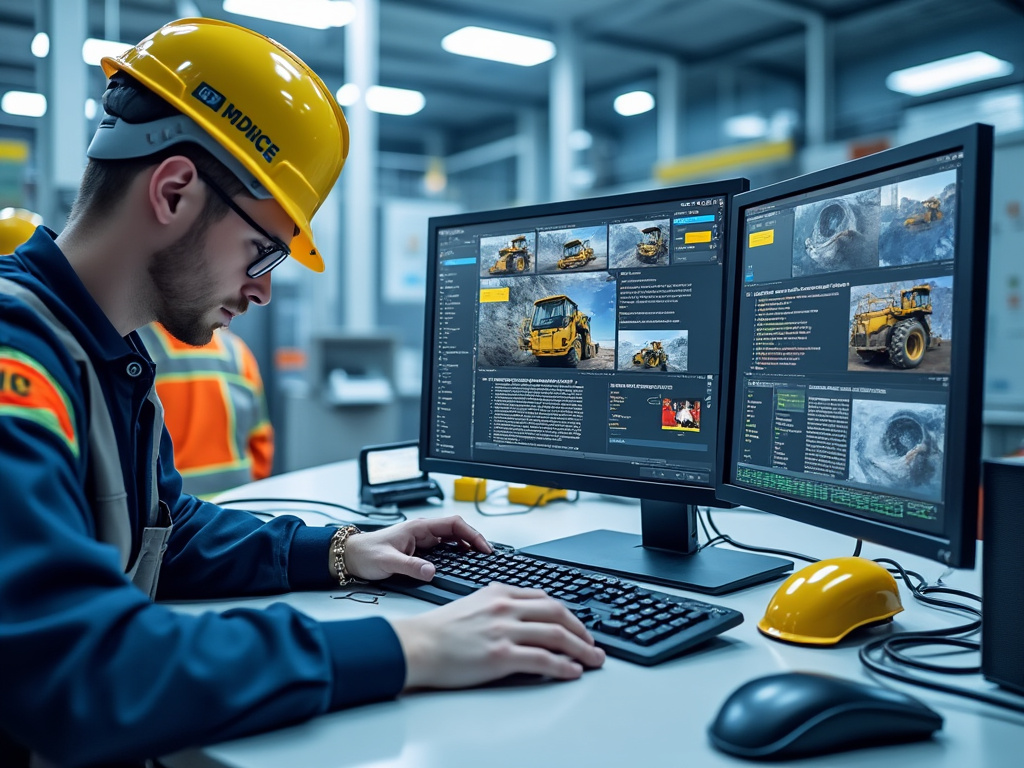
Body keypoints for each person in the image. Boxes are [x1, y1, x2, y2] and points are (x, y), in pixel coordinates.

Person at [0, 18, 603, 768]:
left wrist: (346, 551)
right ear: (175, 190)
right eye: (263, 250)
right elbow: (72, 666)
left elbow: (168, 537)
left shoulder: (100, 355)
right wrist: (406, 645)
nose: (260, 289)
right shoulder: (16, 359)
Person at [137, 322, 274, 496]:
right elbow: (260, 438)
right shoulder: (237, 351)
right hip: (237, 507)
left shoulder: (136, 348)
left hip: (172, 512)